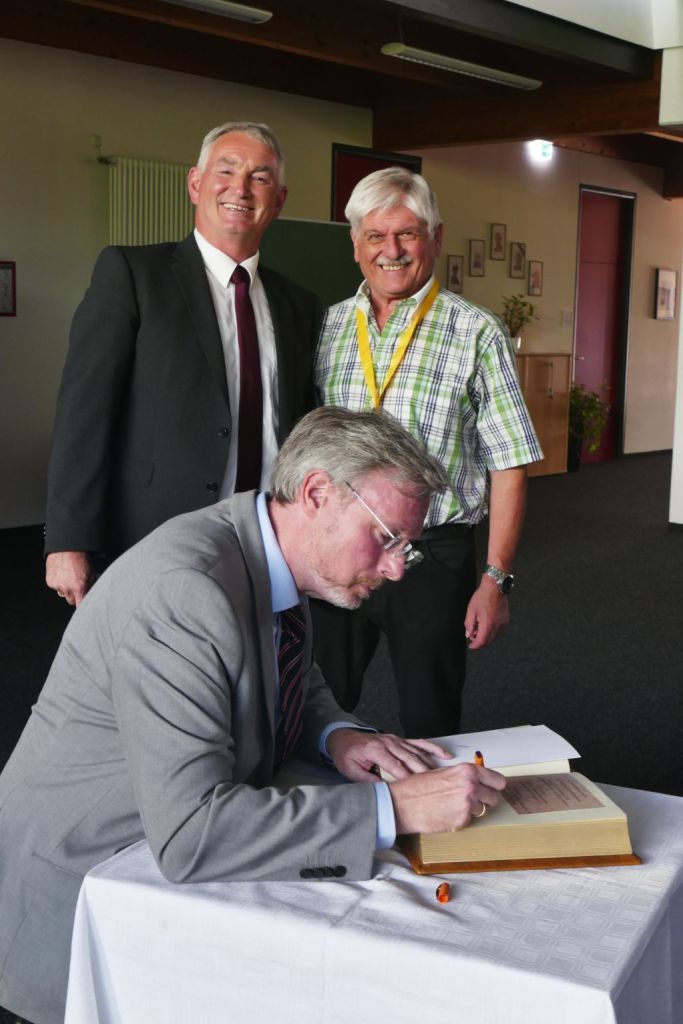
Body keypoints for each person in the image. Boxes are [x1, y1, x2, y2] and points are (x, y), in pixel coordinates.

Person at [0, 407, 506, 1024]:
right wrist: (398, 809)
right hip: (79, 888)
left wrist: (335, 733)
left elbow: (278, 666)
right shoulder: (185, 591)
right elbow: (191, 835)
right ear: (318, 493)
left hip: (147, 850)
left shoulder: (263, 546)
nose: (397, 568)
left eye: (409, 548)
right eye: (386, 538)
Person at [44, 121, 321, 607]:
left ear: (278, 200)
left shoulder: (298, 304)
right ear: (196, 183)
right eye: (227, 170)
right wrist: (68, 538)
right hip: (155, 532)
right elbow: (84, 414)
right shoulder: (132, 274)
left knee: (254, 674)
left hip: (267, 536)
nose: (240, 188)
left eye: (260, 177)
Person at [313, 167, 543, 738]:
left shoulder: (476, 331)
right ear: (356, 244)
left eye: (408, 234)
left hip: (429, 555)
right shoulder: (330, 327)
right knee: (314, 702)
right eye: (375, 236)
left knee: (430, 719)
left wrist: (496, 581)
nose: (391, 251)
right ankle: (319, 821)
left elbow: (509, 462)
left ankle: (432, 822)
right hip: (336, 548)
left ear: (435, 238)